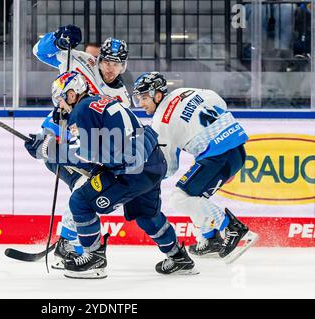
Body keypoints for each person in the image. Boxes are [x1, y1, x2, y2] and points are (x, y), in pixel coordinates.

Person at [32, 71, 198, 279]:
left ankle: (94, 259)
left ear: (72, 94)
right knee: (146, 215)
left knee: (80, 201)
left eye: (60, 100)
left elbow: (90, 155)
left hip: (131, 172)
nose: (60, 106)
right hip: (154, 161)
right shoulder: (102, 100)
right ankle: (178, 257)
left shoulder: (82, 110)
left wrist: (49, 151)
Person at [28, 25, 132, 269]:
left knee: (84, 190)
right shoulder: (81, 61)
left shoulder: (123, 98)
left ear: (123, 66)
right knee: (83, 190)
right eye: (107, 61)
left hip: (81, 149)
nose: (110, 68)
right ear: (99, 58)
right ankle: (68, 242)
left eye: (117, 64)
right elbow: (39, 53)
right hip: (56, 135)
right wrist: (56, 38)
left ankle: (68, 241)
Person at [132, 72, 259, 263]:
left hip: (218, 156)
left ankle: (232, 227)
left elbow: (169, 167)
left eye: (143, 97)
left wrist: (145, 178)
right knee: (195, 195)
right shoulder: (185, 91)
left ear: (157, 95)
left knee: (179, 197)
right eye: (137, 98)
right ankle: (209, 239)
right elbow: (219, 103)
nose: (140, 103)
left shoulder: (160, 122)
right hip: (237, 151)